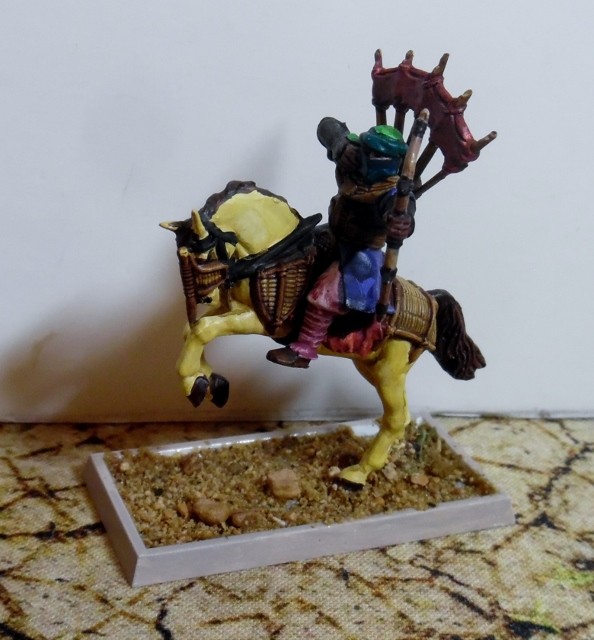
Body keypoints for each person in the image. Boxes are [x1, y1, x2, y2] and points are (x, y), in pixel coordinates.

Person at [266, 117, 416, 368]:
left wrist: (401, 222)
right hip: (332, 234)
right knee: (291, 251)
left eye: (378, 156)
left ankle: (305, 349)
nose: (369, 158)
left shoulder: (393, 192)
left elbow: (401, 212)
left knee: (325, 293)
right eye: (368, 151)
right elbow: (326, 125)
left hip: (361, 252)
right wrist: (340, 144)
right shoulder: (354, 158)